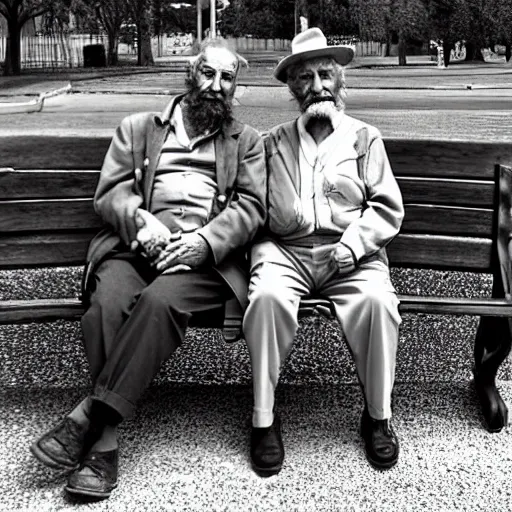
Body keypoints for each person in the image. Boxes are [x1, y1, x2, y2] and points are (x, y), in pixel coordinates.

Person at [30, 37, 266, 499]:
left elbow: (251, 209)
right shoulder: (137, 128)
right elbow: (110, 193)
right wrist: (142, 223)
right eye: (208, 73)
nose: (216, 86)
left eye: (227, 78)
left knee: (160, 302)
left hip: (201, 265)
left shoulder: (247, 142)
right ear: (190, 74)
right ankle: (106, 438)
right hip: (134, 249)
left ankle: (88, 422)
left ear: (236, 86)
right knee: (107, 304)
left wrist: (203, 242)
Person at [243, 28, 404, 476]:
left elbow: (388, 208)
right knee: (267, 299)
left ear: (340, 80)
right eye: (305, 77)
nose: (317, 86)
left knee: (377, 303)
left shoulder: (365, 138)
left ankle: (378, 417)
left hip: (352, 255)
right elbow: (257, 211)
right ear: (292, 86)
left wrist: (354, 245)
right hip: (285, 252)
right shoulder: (271, 141)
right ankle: (263, 419)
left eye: (325, 74)